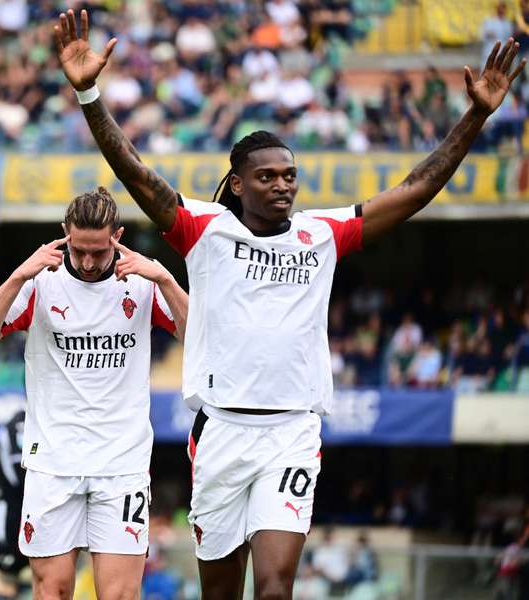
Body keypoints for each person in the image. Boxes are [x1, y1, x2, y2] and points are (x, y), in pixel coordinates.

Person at [54, 9, 525, 599]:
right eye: (268, 176)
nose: (283, 185)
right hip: (221, 433)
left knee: (275, 589)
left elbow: (415, 189)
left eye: (290, 176)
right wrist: (90, 93)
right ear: (240, 182)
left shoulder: (322, 233)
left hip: (292, 434)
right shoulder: (205, 229)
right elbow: (137, 174)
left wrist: (476, 115)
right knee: (222, 593)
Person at [0, 188, 188, 600]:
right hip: (52, 463)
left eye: (98, 252)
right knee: (52, 591)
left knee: (119, 595)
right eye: (79, 249)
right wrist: (17, 276)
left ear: (117, 236)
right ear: (65, 233)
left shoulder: (142, 283)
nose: (86, 262)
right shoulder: (39, 283)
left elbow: (204, 341)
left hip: (121, 463)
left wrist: (167, 280)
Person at [0, 409, 28, 600]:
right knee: (5, 575)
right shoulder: (17, 423)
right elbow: (15, 470)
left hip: (34, 512)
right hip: (15, 511)